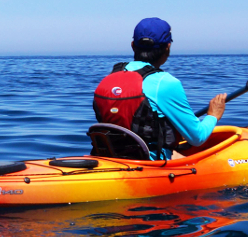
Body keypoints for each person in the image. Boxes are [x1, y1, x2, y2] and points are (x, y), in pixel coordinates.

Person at [92, 18, 226, 160]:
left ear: (133, 45)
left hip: (108, 157)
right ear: (167, 47)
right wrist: (213, 115)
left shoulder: (110, 77)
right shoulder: (166, 83)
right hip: (149, 164)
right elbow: (197, 138)